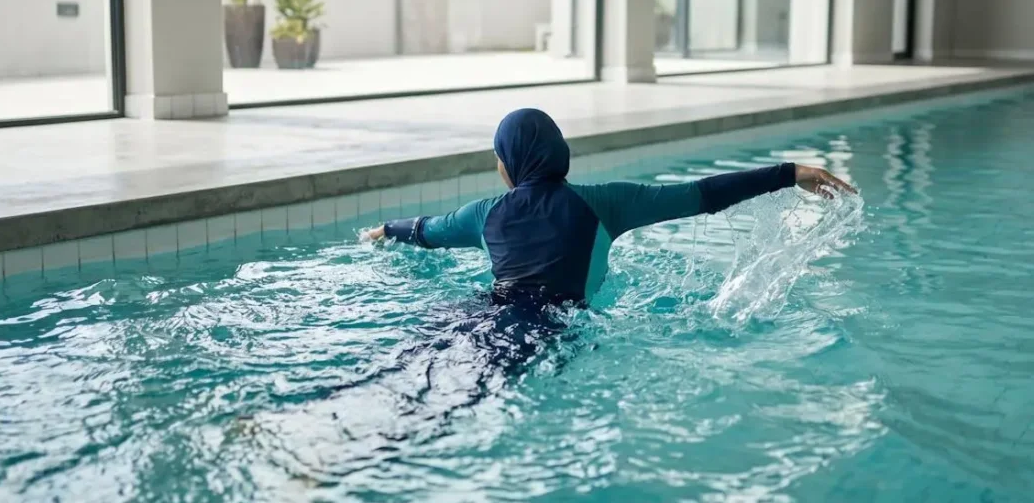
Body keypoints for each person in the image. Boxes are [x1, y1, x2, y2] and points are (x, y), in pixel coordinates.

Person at [365, 108, 855, 305]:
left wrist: (386, 229)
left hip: (479, 314)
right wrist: (788, 173)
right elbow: (702, 195)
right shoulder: (605, 203)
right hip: (559, 334)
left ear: (508, 164)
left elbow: (426, 230)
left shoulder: (482, 214)